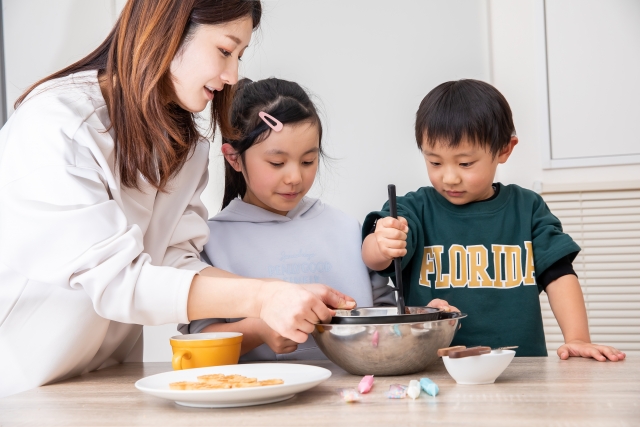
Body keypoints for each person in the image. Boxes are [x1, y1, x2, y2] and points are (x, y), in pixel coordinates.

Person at [0, 0, 355, 398]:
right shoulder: (57, 126)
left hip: (102, 380)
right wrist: (264, 297)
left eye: (240, 55)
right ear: (168, 29)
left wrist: (281, 294)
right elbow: (118, 282)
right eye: (224, 50)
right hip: (21, 386)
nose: (232, 74)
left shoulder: (183, 146)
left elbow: (176, 260)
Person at [361, 79, 626, 361]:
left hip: (521, 371)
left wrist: (577, 339)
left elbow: (559, 275)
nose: (449, 177)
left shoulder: (527, 207)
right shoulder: (414, 208)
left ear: (504, 149)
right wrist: (382, 242)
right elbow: (374, 260)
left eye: (465, 163)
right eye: (435, 162)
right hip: (435, 371)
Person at [181, 78, 396, 361]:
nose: (295, 177)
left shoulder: (346, 229)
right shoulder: (211, 241)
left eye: (308, 161)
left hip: (351, 398)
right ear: (234, 158)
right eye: (277, 163)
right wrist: (260, 330)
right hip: (260, 401)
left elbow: (389, 318)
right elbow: (195, 346)